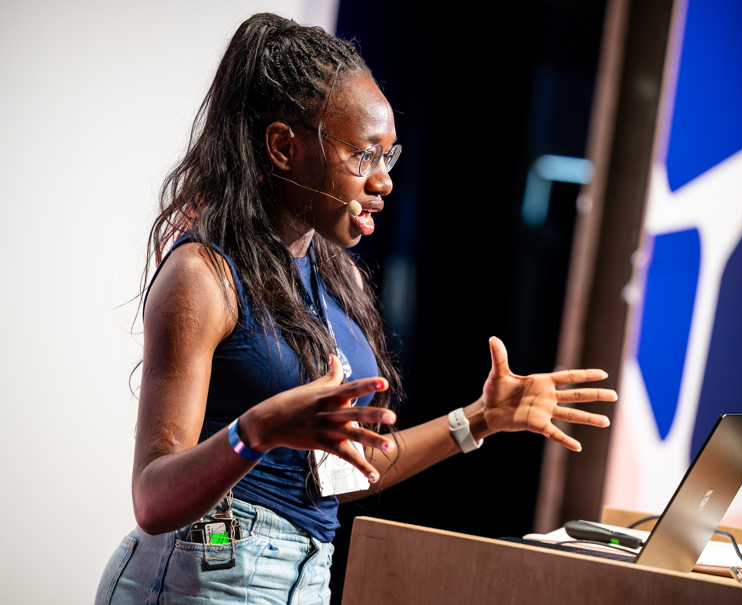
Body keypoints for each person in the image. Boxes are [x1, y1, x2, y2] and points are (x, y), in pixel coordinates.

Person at [95, 13, 617, 605]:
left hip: (305, 578)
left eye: (388, 157)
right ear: (284, 147)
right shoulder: (204, 275)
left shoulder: (333, 279)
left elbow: (349, 470)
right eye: (363, 156)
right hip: (203, 575)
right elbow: (154, 499)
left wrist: (477, 420)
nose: (384, 181)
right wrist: (256, 431)